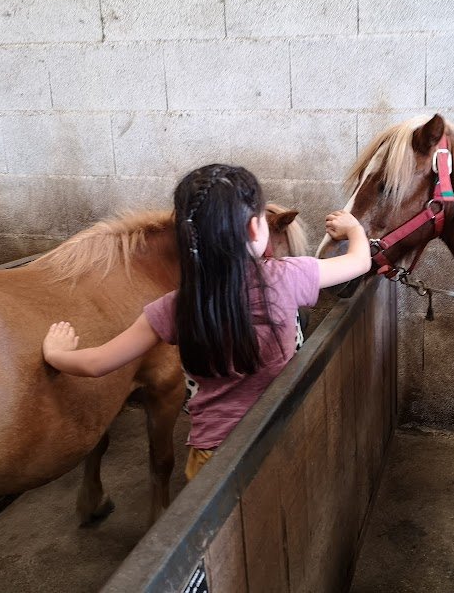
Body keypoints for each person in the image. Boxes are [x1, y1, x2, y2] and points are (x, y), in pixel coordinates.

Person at [42, 164, 370, 480]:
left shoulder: (174, 307)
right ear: (256, 228)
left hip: (212, 460)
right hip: (280, 441)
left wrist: (57, 355)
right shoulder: (288, 276)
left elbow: (99, 363)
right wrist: (353, 229)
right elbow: (360, 261)